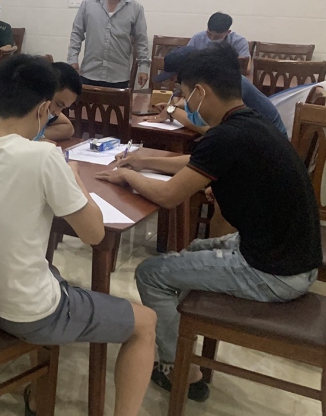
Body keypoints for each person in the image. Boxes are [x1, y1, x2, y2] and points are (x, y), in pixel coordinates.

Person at [95, 46, 321, 403]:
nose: (185, 103)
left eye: (185, 94)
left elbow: (169, 196)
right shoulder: (251, 123)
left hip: (273, 272)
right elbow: (197, 161)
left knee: (151, 273)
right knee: (194, 251)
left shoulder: (226, 136)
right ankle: (184, 338)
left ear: (200, 92)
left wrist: (127, 176)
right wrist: (142, 160)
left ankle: (180, 369)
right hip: (293, 258)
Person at [0, 54, 156, 416]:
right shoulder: (43, 157)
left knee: (51, 273)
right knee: (145, 323)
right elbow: (94, 235)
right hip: (24, 310)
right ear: (43, 110)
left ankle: (40, 395)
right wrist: (74, 179)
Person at [146, 45, 286, 136]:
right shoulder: (216, 80)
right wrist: (175, 106)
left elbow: (210, 129)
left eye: (177, 78)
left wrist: (173, 111)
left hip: (266, 145)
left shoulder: (229, 84)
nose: (174, 82)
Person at [68, 0, 150, 88]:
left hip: (119, 76)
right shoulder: (88, 5)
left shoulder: (135, 8)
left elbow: (141, 40)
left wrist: (143, 67)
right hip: (90, 72)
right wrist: (72, 60)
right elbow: (76, 34)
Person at [0, 61, 81, 141]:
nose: (57, 113)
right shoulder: (9, 107)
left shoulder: (47, 111)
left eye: (63, 108)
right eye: (58, 104)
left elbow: (68, 128)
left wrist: (37, 137)